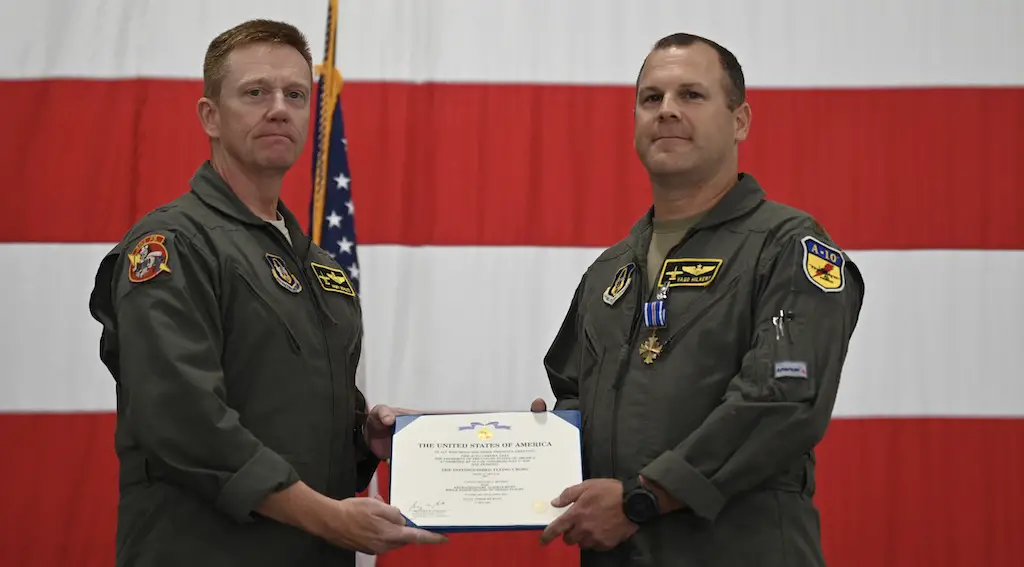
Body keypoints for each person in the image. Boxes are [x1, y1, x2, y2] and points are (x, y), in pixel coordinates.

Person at [87, 19, 446, 566]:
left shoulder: (320, 269)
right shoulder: (175, 245)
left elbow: (284, 420)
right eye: (256, 92)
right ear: (211, 115)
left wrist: (361, 442)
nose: (279, 108)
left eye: (295, 94)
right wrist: (331, 517)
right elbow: (183, 423)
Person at [531, 33, 865, 566]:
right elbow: (572, 394)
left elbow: (779, 401)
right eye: (651, 98)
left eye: (691, 95)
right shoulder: (609, 272)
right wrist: (515, 452)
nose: (666, 111)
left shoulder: (787, 247)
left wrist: (645, 498)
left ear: (740, 121)